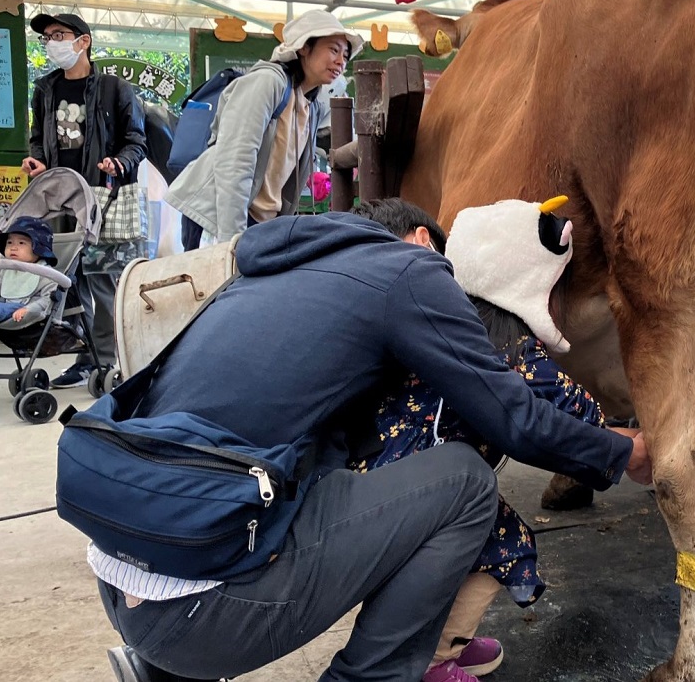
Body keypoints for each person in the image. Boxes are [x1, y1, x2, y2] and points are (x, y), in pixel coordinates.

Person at [90, 204, 651, 682]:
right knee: (463, 484)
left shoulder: (272, 275)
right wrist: (622, 452)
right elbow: (515, 416)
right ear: (425, 242)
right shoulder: (411, 271)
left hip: (129, 578)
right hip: (202, 615)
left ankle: (162, 670)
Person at [348, 197, 611, 682]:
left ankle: (439, 642)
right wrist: (619, 435)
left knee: (440, 555)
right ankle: (432, 660)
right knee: (504, 545)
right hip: (429, 480)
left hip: (378, 474)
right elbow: (570, 406)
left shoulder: (420, 317)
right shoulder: (502, 339)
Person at [23, 12, 147, 387]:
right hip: (57, 196)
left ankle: (107, 360)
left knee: (104, 280)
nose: (51, 43)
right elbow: (36, 137)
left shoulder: (114, 88)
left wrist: (118, 162)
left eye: (58, 34)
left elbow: (136, 141)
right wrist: (36, 160)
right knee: (66, 278)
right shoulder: (44, 89)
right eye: (47, 37)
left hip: (101, 196)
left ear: (84, 41)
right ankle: (84, 357)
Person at [167, 10, 359, 250]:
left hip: (260, 222)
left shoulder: (312, 104)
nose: (341, 61)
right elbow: (235, 160)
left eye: (345, 54)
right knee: (215, 286)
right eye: (333, 49)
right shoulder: (267, 82)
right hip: (219, 216)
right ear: (303, 47)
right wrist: (231, 241)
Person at [0, 217, 58, 326]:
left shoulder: (45, 273)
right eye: (9, 242)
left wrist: (28, 309)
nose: (13, 247)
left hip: (23, 308)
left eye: (21, 243)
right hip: (3, 304)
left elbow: (48, 300)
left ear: (38, 249)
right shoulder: (7, 270)